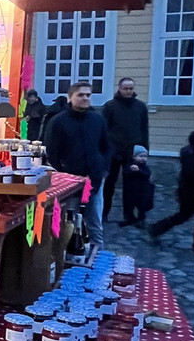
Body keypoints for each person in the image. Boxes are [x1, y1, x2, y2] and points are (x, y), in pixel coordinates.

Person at [45, 82, 111, 248]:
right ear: (70, 97)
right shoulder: (58, 122)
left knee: (95, 222)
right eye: (80, 95)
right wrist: (64, 174)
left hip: (94, 179)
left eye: (88, 95)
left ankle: (97, 254)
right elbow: (51, 152)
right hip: (70, 183)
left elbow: (106, 147)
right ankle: (66, 254)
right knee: (69, 222)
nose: (85, 98)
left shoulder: (97, 120)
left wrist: (103, 168)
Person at [102, 77, 149, 224]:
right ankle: (104, 213)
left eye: (131, 88)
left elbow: (144, 130)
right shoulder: (110, 106)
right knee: (109, 185)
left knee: (132, 187)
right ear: (120, 89)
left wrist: (144, 151)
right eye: (125, 88)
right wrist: (105, 149)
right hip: (114, 152)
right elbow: (104, 129)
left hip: (133, 152)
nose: (128, 91)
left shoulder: (140, 107)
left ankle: (129, 216)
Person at [118, 145, 154, 228]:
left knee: (142, 206)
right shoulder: (130, 165)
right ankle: (129, 218)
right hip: (131, 191)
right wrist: (131, 170)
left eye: (145, 156)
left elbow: (147, 175)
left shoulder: (144, 167)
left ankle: (141, 220)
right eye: (141, 156)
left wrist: (139, 171)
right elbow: (125, 173)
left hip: (142, 191)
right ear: (134, 157)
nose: (143, 158)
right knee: (129, 205)